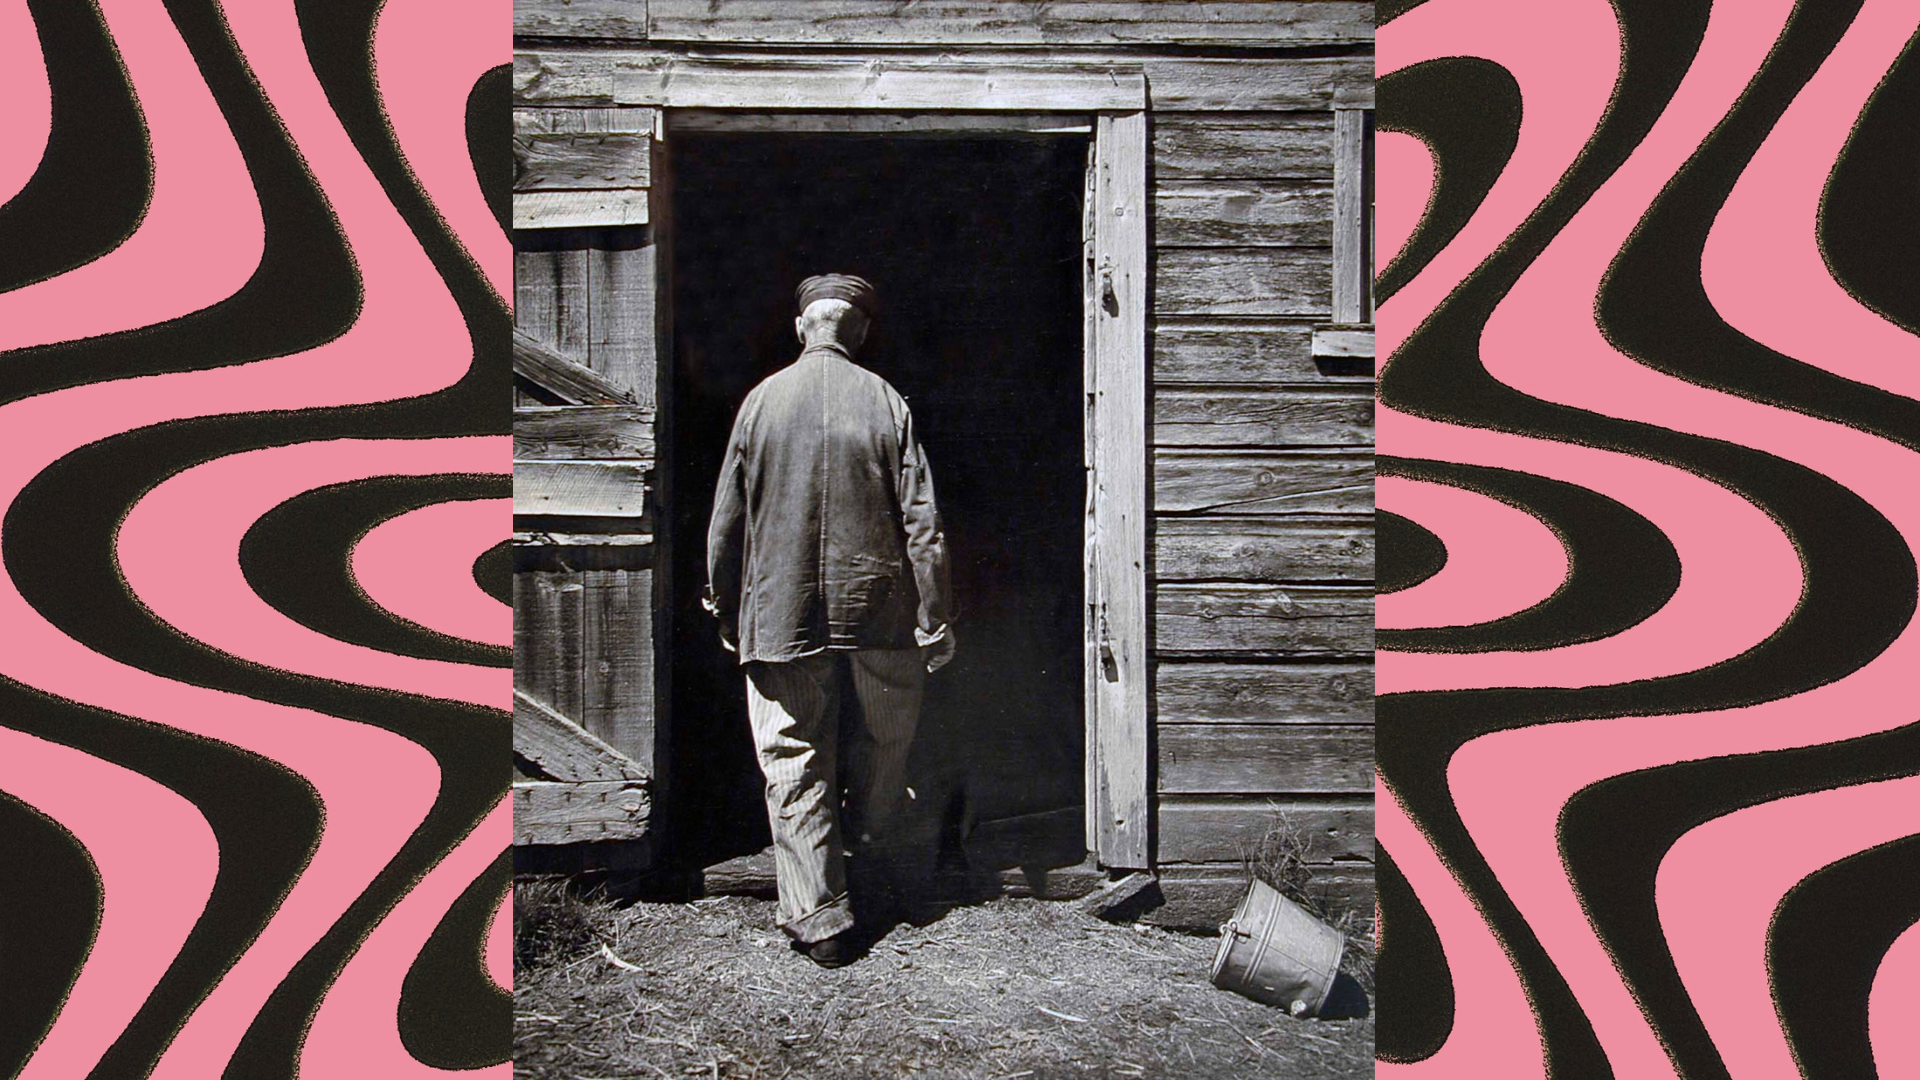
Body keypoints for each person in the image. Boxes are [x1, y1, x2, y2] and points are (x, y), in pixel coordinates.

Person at [704, 273, 956, 968]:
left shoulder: (759, 404)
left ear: (801, 329)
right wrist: (933, 614)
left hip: (779, 608)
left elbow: (726, 522)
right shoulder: (884, 401)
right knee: (887, 739)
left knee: (791, 751)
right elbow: (923, 523)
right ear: (861, 332)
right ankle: (875, 867)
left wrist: (726, 604)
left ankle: (819, 917)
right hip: (879, 610)